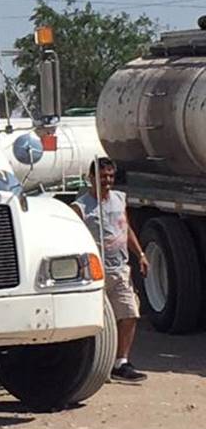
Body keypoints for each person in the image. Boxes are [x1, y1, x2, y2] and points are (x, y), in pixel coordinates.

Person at [73, 157, 148, 383]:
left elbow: (126, 229)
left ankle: (121, 363)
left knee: (129, 313)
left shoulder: (118, 200)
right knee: (97, 321)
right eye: (102, 176)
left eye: (110, 176)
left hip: (120, 269)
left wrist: (140, 255)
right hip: (95, 272)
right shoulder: (81, 207)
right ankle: (93, 366)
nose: (107, 180)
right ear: (90, 178)